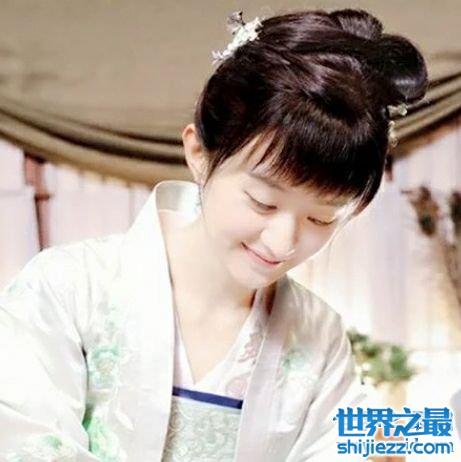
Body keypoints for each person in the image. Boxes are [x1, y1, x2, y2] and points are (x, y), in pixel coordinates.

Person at [0, 7, 427, 462]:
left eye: (321, 219)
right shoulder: (67, 289)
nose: (282, 242)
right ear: (199, 153)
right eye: (262, 202)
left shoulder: (318, 334)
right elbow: (27, 443)